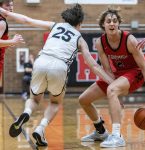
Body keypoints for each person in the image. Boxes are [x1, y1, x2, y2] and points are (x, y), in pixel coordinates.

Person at [0, 4, 114, 147]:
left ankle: (27, 113)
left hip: (41, 61)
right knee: (55, 102)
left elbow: (26, 20)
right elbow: (94, 65)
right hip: (59, 66)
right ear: (80, 23)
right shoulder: (80, 39)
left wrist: (4, 12)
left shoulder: (55, 25)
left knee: (34, 99)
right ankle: (41, 128)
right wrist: (111, 82)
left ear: (66, 19)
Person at [79, 8, 145, 148]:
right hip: (117, 75)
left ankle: (117, 136)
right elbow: (107, 71)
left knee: (112, 89)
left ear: (118, 24)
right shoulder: (100, 43)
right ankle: (100, 131)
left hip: (135, 74)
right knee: (83, 99)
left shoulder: (129, 40)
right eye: (108, 21)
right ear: (103, 25)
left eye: (115, 21)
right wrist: (115, 93)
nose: (112, 23)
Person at [0, 0, 24, 81]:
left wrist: (8, 43)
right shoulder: (2, 22)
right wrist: (12, 41)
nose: (11, 7)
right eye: (7, 5)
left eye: (12, 5)